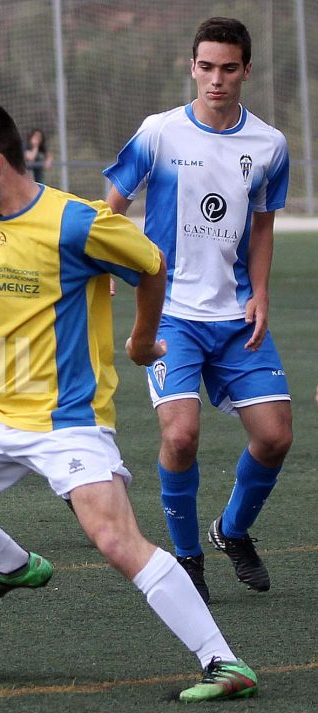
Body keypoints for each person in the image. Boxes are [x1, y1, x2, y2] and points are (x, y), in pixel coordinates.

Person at [0, 98, 259, 702]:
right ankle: (12, 565)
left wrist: (140, 338)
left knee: (115, 540)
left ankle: (224, 662)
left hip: (67, 420)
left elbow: (152, 264)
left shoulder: (76, 222)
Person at [104, 17, 290, 604]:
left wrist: (260, 292)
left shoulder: (269, 144)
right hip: (171, 315)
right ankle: (187, 557)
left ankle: (232, 531)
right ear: (192, 67)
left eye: (228, 68)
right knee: (180, 437)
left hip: (236, 316)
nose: (216, 79)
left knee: (275, 437)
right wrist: (104, 267)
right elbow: (109, 208)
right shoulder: (158, 133)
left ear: (246, 71)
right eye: (206, 67)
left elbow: (263, 226)